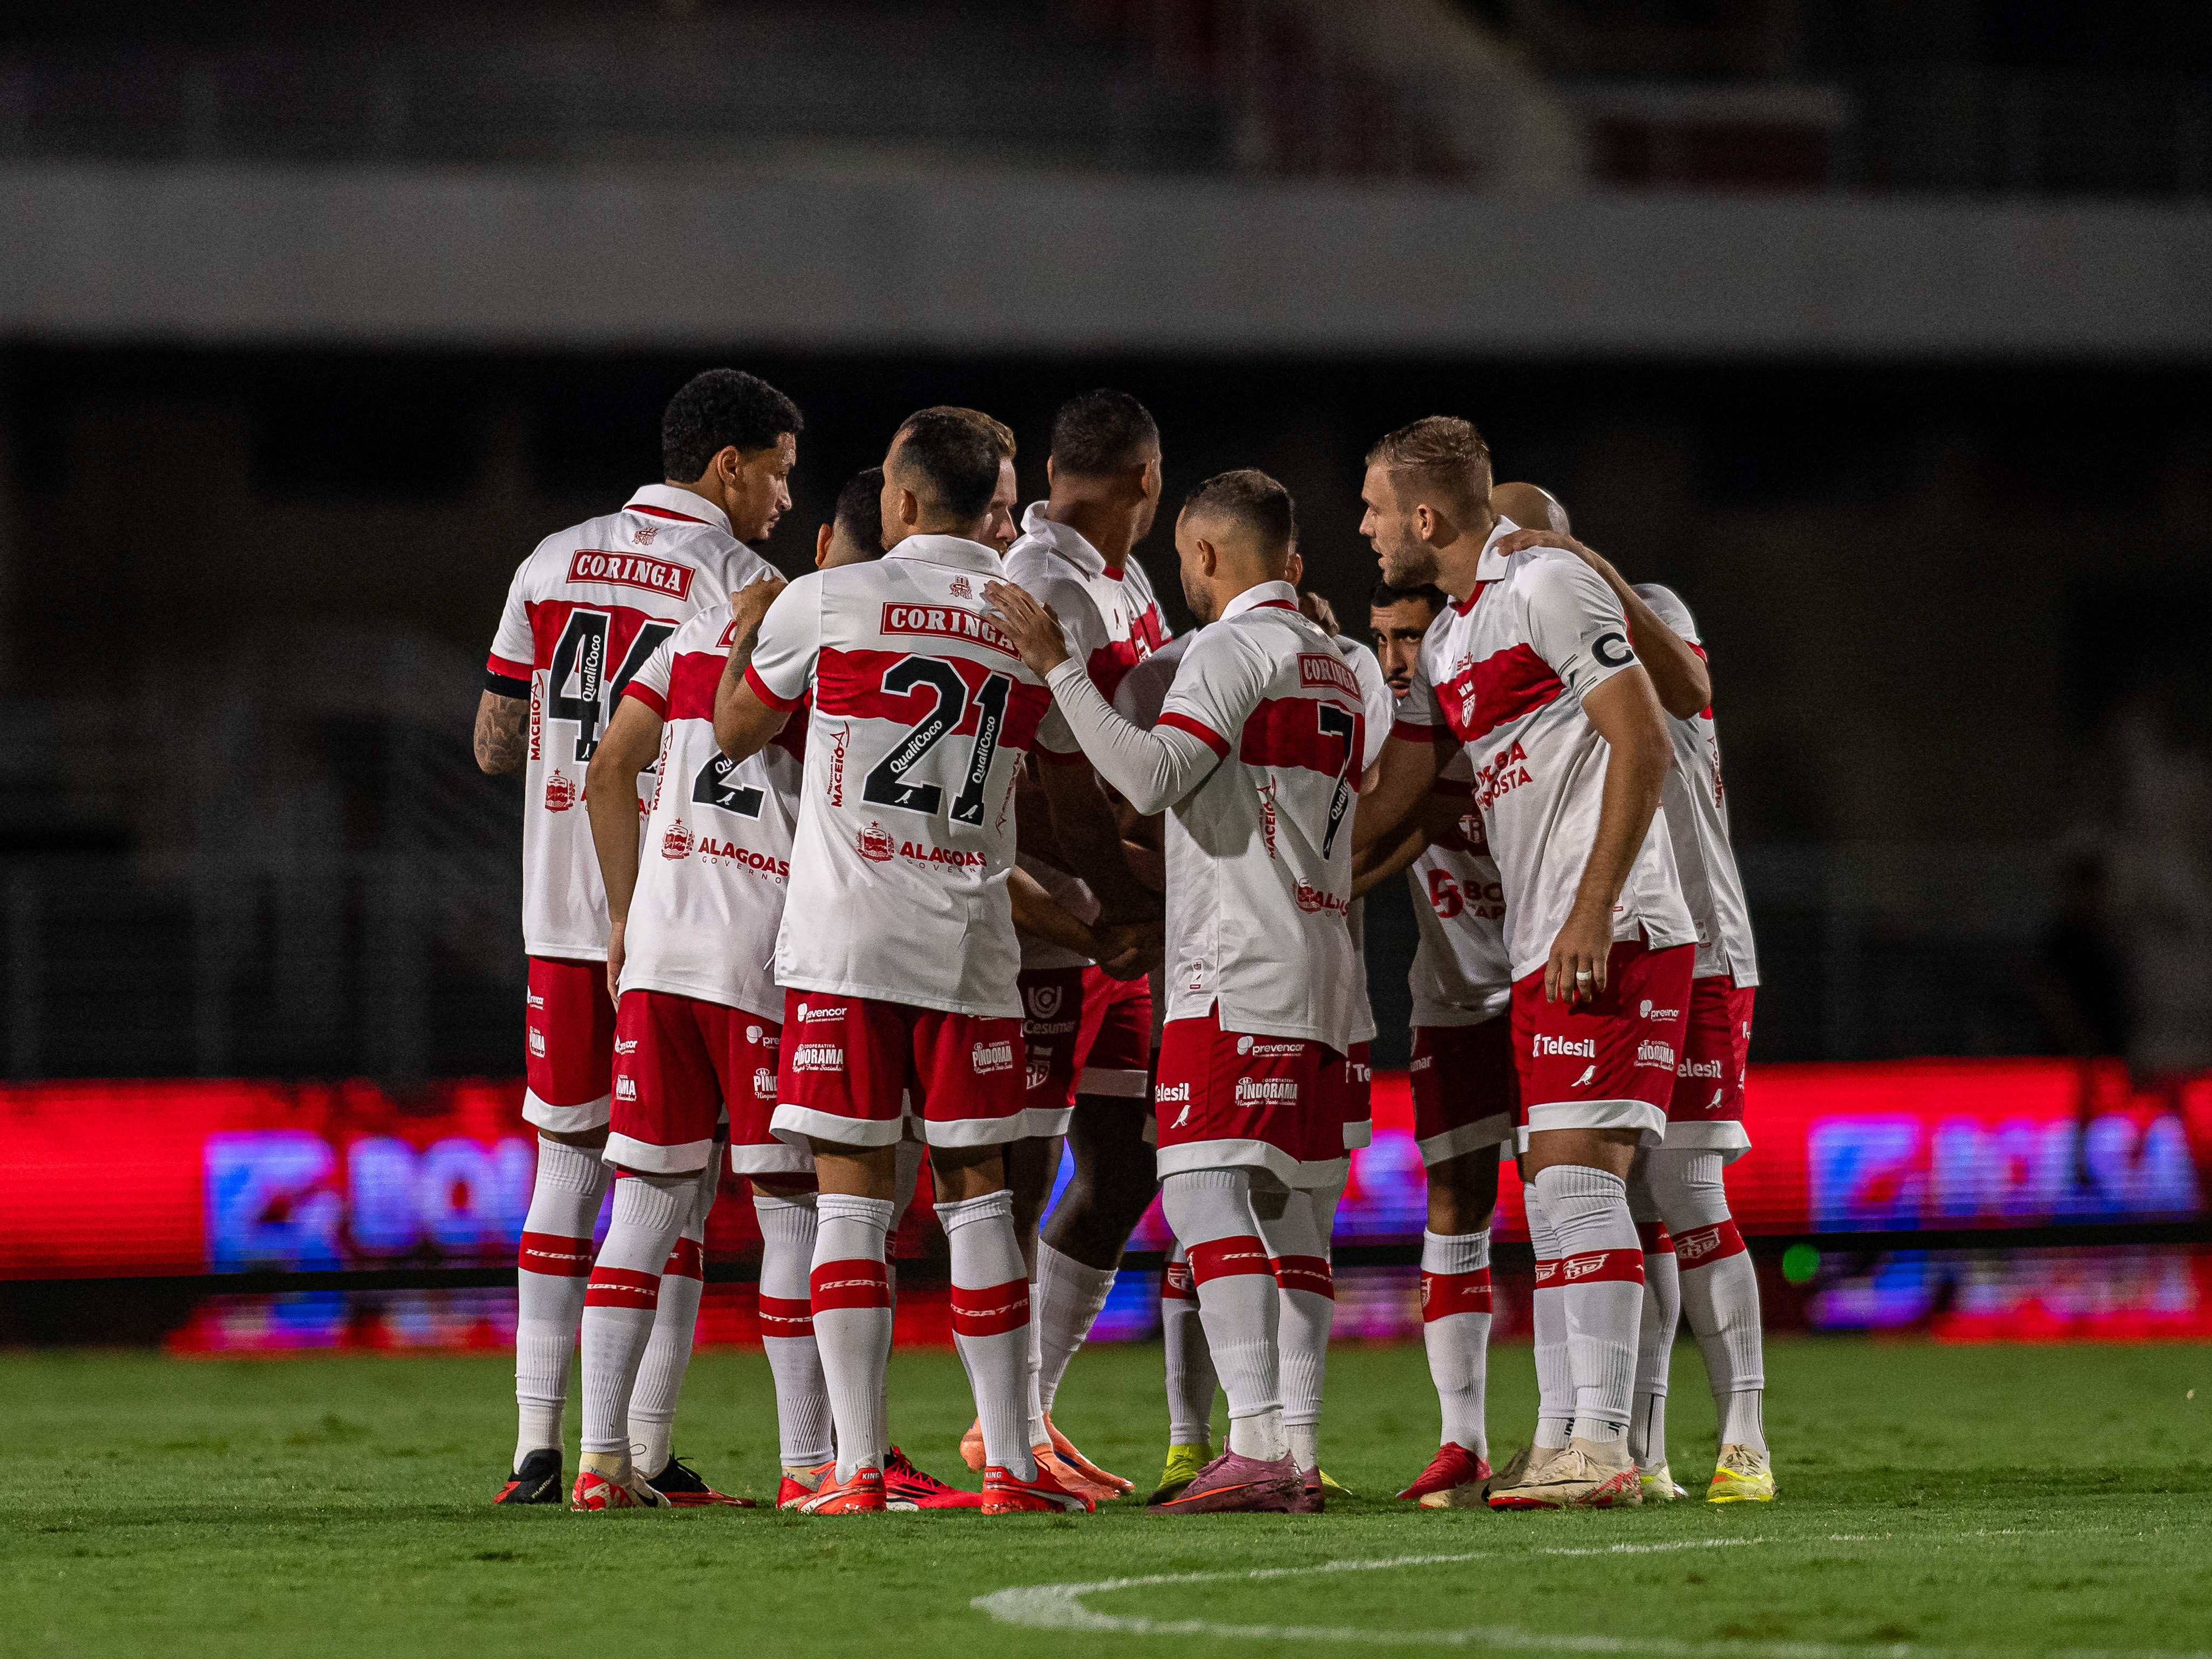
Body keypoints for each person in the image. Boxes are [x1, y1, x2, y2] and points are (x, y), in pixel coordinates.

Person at [711, 409, 1123, 1516]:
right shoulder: (1022, 620)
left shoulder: (827, 601)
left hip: (846, 943)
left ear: (896, 501)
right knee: (978, 1197)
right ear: (990, 505)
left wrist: (751, 629)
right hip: (968, 939)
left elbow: (736, 729)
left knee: (852, 1201)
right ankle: (1010, 1466)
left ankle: (853, 1470)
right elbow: (1067, 787)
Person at [987, 468, 1365, 1516]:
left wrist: (1061, 670)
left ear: (1203, 555)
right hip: (1329, 968)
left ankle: (1253, 1446)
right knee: (1292, 1217)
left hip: (1234, 968)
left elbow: (1151, 775)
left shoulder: (1231, 650)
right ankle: (1293, 1442)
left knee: (1200, 1187)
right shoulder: (1342, 664)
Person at [1353, 418, 1697, 1511]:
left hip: (1614, 927)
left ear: (1426, 517)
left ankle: (1604, 1444)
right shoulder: (1457, 635)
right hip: (1546, 937)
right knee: (1557, 1199)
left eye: (1372, 507)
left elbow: (1648, 735)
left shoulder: (1545, 585)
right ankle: (1564, 1440)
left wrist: (1594, 909)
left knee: (1577, 1182)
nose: (1362, 527)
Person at [474, 367, 799, 1506]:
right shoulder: (746, 579)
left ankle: (537, 1447)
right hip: (673, 910)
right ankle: (645, 1445)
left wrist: (562, 767)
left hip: (555, 911)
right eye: (777, 473)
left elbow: (492, 744)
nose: (783, 500)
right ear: (729, 465)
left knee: (567, 1163)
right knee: (673, 1175)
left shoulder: (550, 558)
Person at [1485, 514, 1775, 1505]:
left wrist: (1588, 568)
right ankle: (1633, 1448)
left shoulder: (1645, 612)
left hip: (1699, 941)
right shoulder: (1514, 628)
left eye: (1533, 537)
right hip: (1633, 943)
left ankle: (1744, 1439)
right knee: (1623, 1200)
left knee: (1687, 1186)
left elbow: (1686, 692)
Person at [569, 589, 810, 1509]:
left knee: (644, 1209)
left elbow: (606, 771)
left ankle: (601, 1464)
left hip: (662, 952)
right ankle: (810, 1467)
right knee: (794, 1207)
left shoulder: (688, 633)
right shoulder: (836, 634)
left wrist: (625, 914)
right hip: (760, 954)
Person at [978, 389, 1171, 1500]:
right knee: (1025, 1165)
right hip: (1051, 926)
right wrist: (1116, 903)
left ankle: (1028, 1410)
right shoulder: (1045, 581)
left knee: (1125, 1156)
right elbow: (1046, 774)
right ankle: (1004, 1426)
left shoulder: (1122, 580)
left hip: (1110, 919)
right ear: (1146, 481)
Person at [1351, 572, 1514, 1509]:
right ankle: (1463, 1443)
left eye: (1409, 638)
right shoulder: (1388, 735)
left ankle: (1611, 1433)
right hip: (1451, 995)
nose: (1394, 661)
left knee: (1581, 1195)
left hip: (1544, 985)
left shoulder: (1510, 725)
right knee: (1453, 1198)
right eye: (1382, 639)